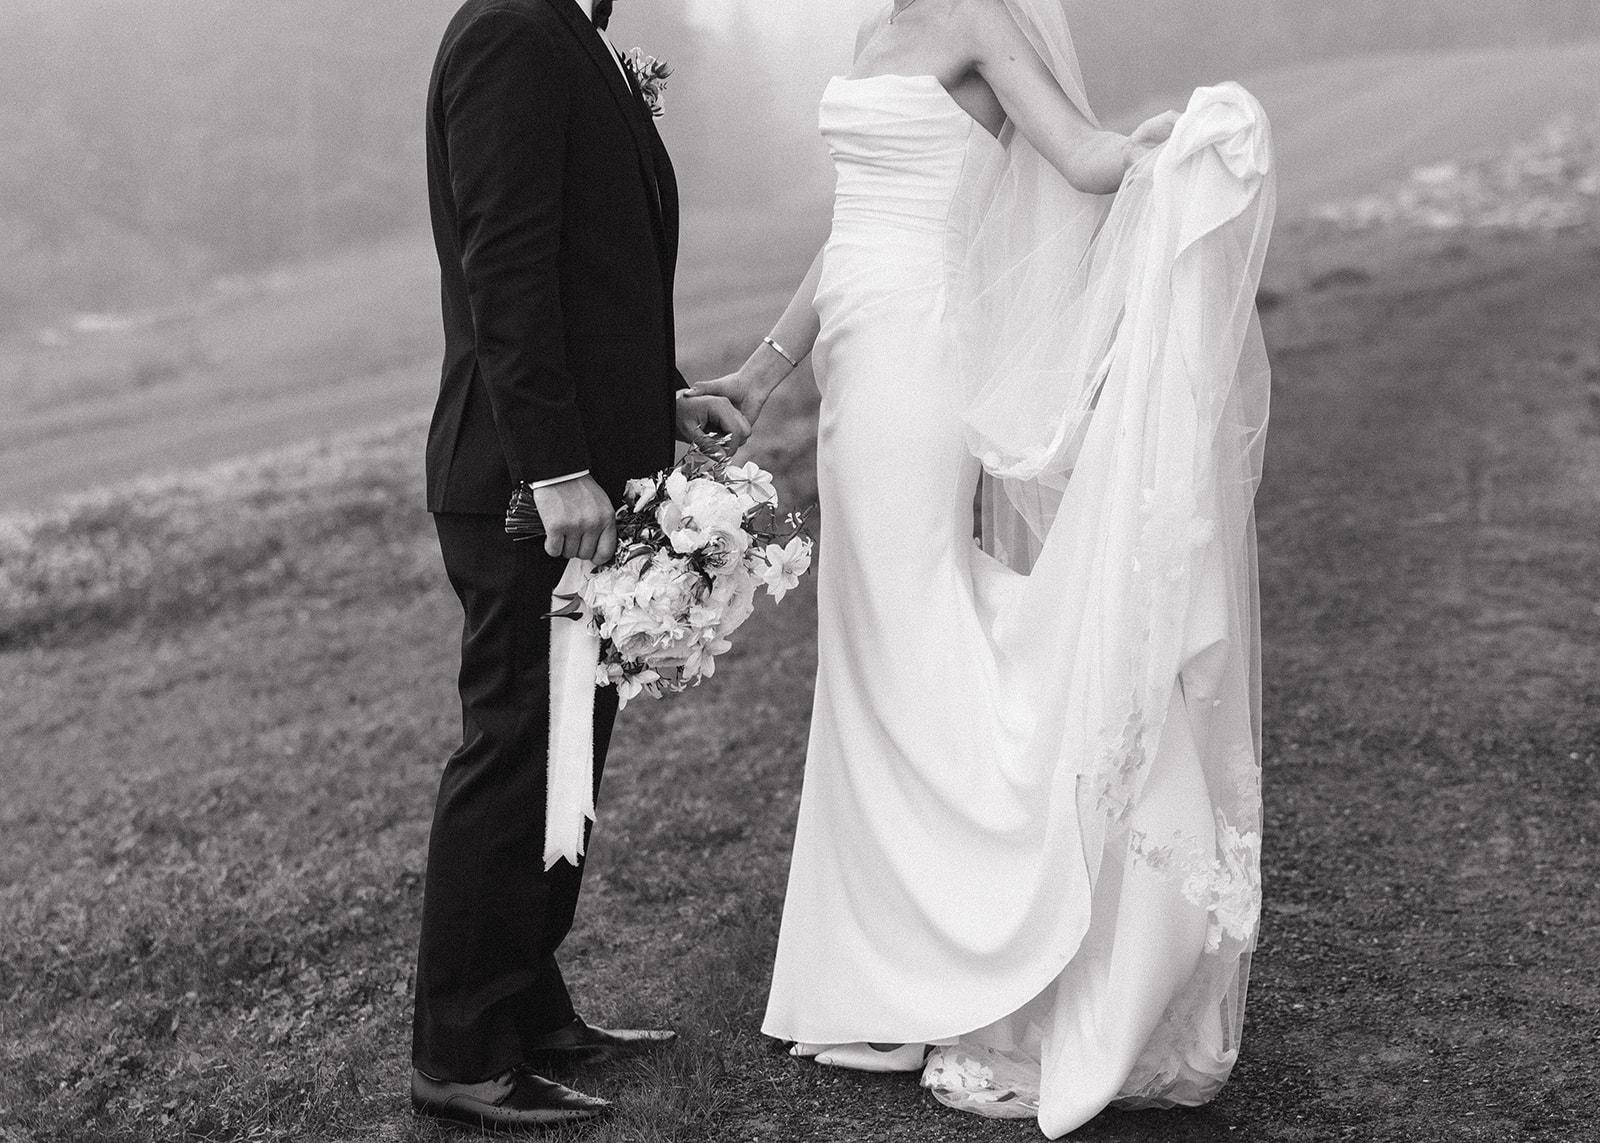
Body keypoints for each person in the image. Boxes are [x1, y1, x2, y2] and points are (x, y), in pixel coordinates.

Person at [692, 0, 1274, 1136]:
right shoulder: (878, 29)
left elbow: (1084, 157)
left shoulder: (977, 17)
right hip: (855, 347)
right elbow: (857, 216)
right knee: (870, 639)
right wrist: (764, 374)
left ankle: (958, 948)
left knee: (911, 623)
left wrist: (1187, 136)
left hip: (918, 344)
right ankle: (885, 966)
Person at [412, 0, 748, 1131]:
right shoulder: (512, 31)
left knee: (569, 746)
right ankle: (459, 1051)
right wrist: (556, 467)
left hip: (580, 474)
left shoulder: (567, 31)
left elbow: (590, 275)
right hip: (523, 486)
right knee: (516, 746)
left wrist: (659, 396)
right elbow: (504, 265)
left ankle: (529, 1004)